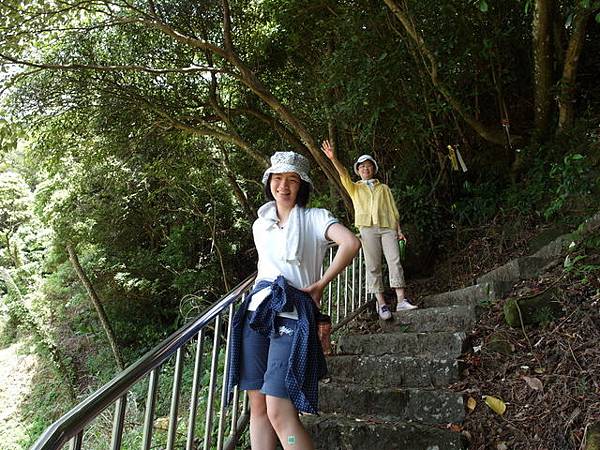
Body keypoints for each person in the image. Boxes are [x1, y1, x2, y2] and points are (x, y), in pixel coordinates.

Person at [228, 151, 361, 450]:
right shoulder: (260, 224)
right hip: (257, 314)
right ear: (269, 183)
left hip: (293, 318)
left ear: (302, 186)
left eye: (292, 180)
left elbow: (351, 243)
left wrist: (321, 283)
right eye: (277, 179)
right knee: (258, 408)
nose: (283, 186)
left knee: (278, 411)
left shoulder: (316, 218)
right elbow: (267, 268)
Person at [321, 139, 417, 320]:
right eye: (362, 166)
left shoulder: (384, 188)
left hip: (388, 227)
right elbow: (343, 175)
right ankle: (382, 304)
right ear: (358, 170)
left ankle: (401, 300)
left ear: (374, 169)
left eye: (368, 166)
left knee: (394, 261)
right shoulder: (355, 188)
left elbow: (393, 210)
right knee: (373, 266)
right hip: (367, 228)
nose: (365, 169)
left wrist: (399, 229)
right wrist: (333, 159)